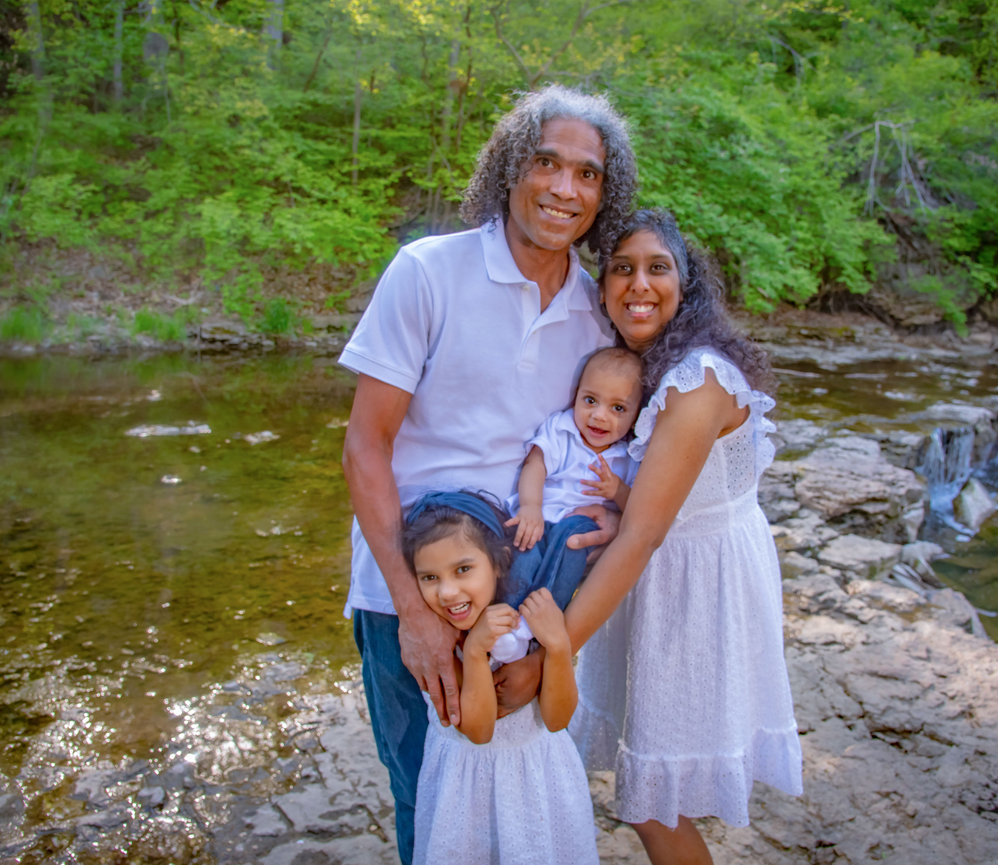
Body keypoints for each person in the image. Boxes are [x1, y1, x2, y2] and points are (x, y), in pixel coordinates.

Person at [339, 84, 636, 863]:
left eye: (588, 173)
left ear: (606, 193)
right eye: (546, 162)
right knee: (429, 801)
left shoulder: (598, 314)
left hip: (533, 600)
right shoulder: (427, 272)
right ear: (510, 167)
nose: (565, 188)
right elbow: (364, 445)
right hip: (411, 591)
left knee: (521, 802)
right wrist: (413, 611)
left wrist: (615, 513)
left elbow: (605, 447)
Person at [563, 209, 803, 864]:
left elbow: (645, 533)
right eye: (622, 268)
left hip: (698, 597)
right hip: (675, 576)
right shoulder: (644, 367)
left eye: (657, 268)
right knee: (650, 799)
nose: (638, 284)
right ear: (605, 285)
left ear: (686, 283)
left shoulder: (696, 378)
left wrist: (556, 650)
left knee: (651, 801)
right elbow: (659, 500)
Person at [402, 491, 598, 865]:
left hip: (541, 783)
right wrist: (475, 652)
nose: (447, 592)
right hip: (464, 798)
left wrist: (556, 648)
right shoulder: (442, 645)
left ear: (499, 563)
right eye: (429, 577)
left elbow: (557, 720)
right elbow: (479, 731)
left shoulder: (529, 628)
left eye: (463, 570)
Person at [489, 346, 642, 663]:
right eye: (590, 401)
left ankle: (537, 627)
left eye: (617, 408)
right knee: (524, 554)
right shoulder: (563, 430)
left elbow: (637, 507)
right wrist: (531, 507)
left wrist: (616, 491)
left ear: (635, 415)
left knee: (572, 541)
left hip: (578, 526)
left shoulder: (627, 456)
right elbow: (536, 465)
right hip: (542, 519)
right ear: (576, 395)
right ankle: (508, 623)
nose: (599, 415)